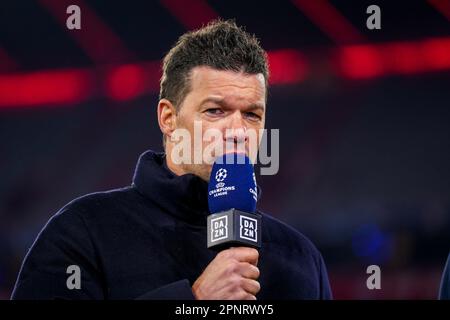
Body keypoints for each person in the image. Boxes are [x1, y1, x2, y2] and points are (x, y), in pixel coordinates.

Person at [11, 20, 332, 300]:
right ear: (168, 117)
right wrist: (191, 299)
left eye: (251, 114)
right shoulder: (83, 233)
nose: (237, 131)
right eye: (215, 111)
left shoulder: (301, 261)